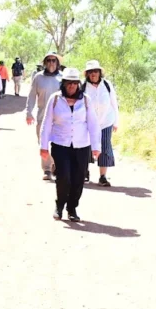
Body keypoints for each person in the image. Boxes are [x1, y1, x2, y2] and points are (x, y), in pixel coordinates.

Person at [39, 68, 101, 221]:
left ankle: (72, 208)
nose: (72, 86)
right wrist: (43, 145)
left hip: (81, 145)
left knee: (79, 178)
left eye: (75, 83)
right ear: (64, 84)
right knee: (64, 177)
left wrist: (96, 146)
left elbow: (93, 124)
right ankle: (59, 206)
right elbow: (46, 122)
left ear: (78, 84)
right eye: (69, 83)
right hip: (61, 144)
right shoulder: (55, 99)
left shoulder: (86, 100)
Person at [26, 52, 63, 180]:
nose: (51, 63)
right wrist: (28, 112)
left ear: (57, 63)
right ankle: (47, 169)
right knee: (44, 142)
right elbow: (31, 96)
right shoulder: (38, 78)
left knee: (58, 144)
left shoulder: (62, 78)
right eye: (49, 60)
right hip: (42, 116)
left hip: (59, 118)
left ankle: (54, 166)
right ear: (45, 63)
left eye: (54, 60)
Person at [82, 60, 119, 186]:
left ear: (99, 73)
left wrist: (116, 122)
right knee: (85, 147)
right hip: (87, 123)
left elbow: (114, 103)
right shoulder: (82, 87)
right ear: (87, 74)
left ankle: (103, 176)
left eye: (96, 71)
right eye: (90, 72)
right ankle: (84, 172)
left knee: (105, 146)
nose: (93, 74)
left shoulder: (107, 85)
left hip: (106, 121)